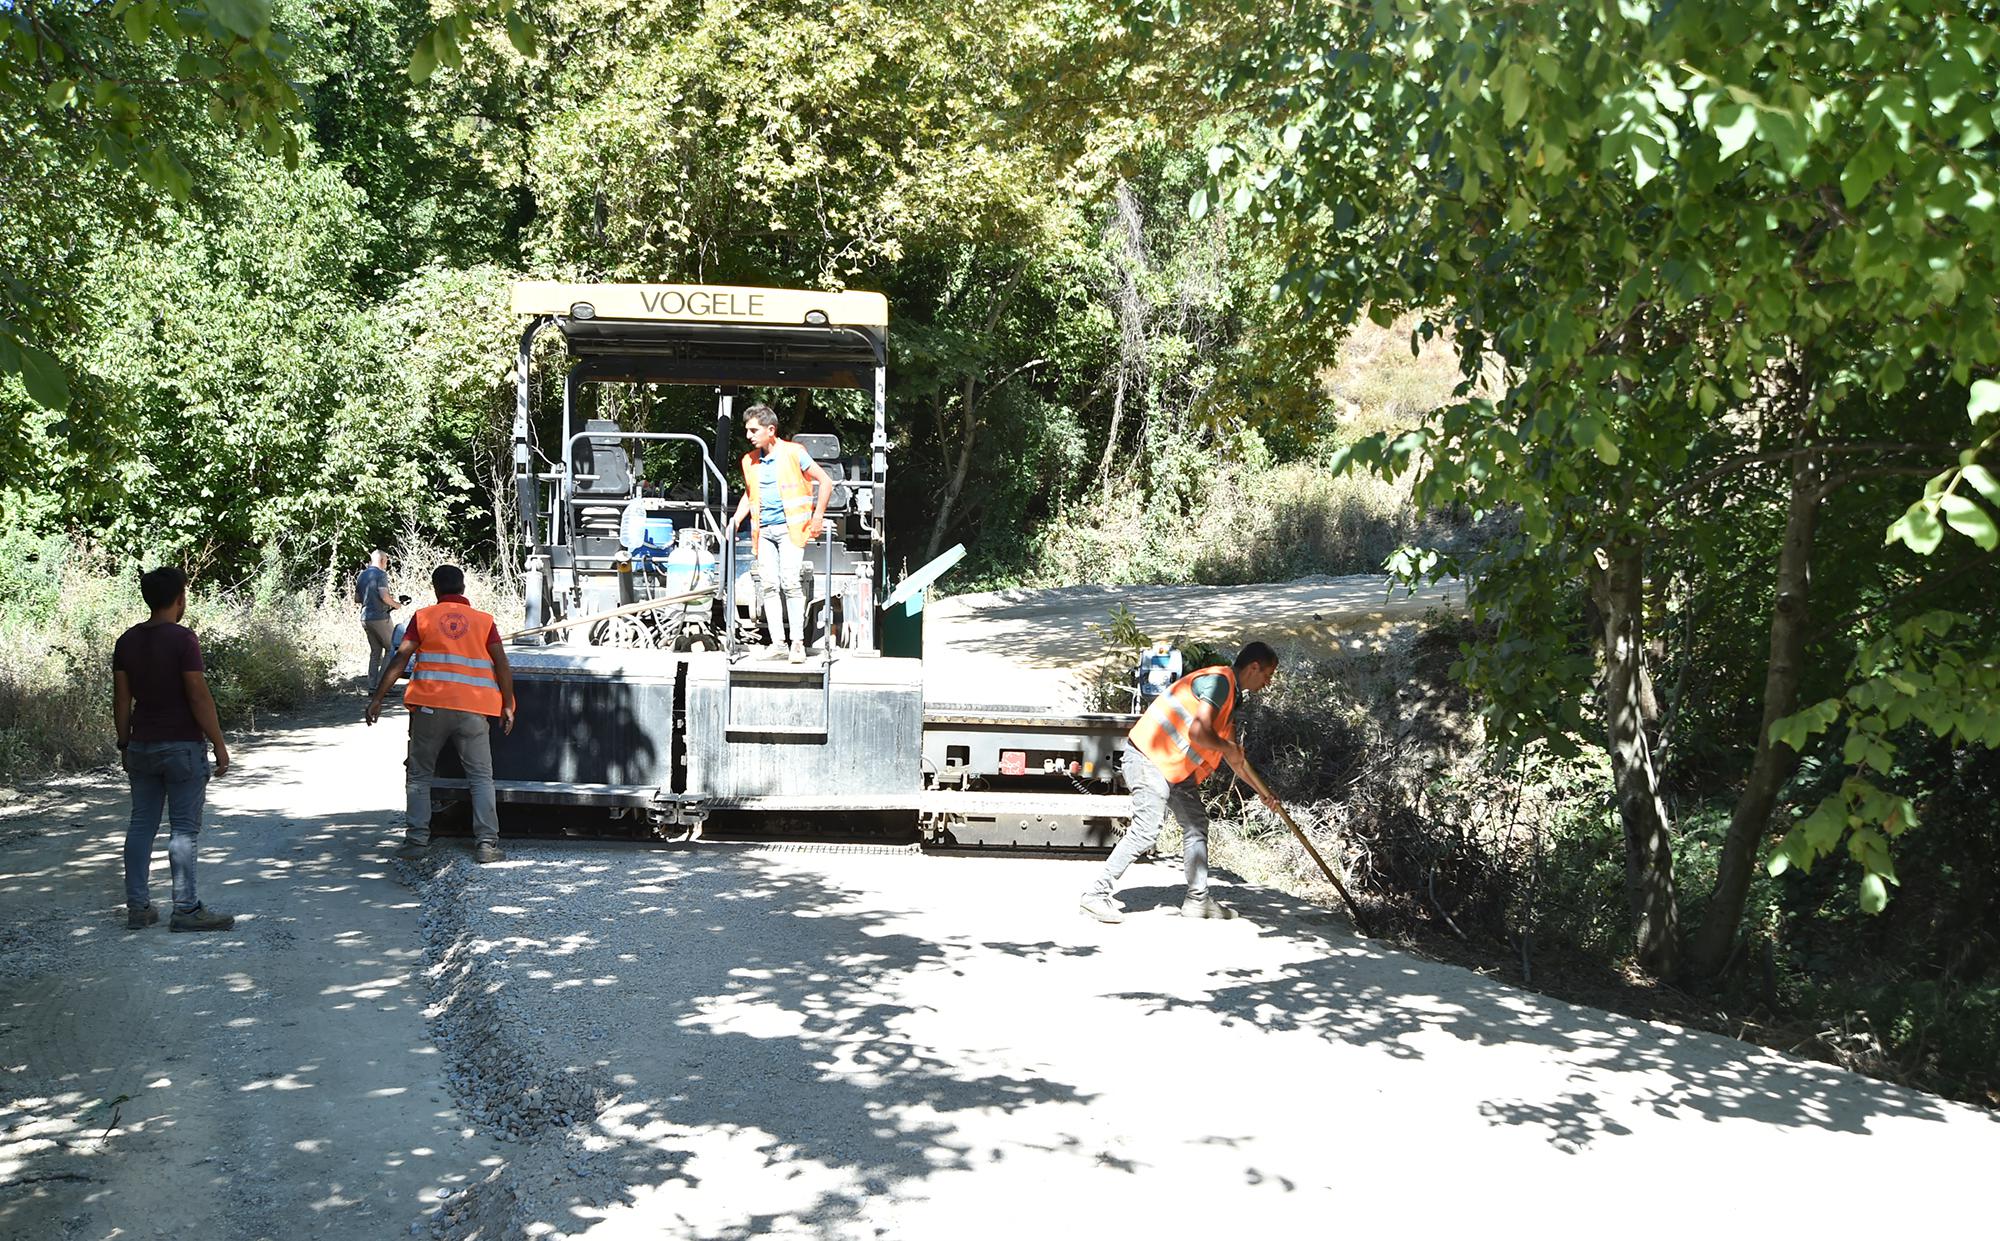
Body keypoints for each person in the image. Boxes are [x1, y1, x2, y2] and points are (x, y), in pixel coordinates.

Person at [1080, 641, 1282, 924]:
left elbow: (1236, 758)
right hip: (1149, 758)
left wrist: (1266, 794)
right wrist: (1226, 747)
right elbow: (1200, 734)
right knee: (1146, 831)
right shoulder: (1218, 683)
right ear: (1254, 667)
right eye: (1268, 675)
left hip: (1173, 767)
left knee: (1196, 824)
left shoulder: (1231, 696)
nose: (1268, 682)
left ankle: (1198, 900)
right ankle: (1095, 895)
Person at [365, 565, 517, 865]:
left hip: (429, 709)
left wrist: (378, 698)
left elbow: (401, 657)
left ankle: (416, 843)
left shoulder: (423, 617)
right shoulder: (484, 621)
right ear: (463, 588)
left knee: (420, 776)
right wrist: (508, 704)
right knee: (481, 778)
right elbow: (501, 664)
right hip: (474, 709)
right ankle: (487, 845)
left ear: (436, 589)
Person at [112, 566, 234, 932]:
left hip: (142, 745)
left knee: (141, 825)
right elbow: (197, 694)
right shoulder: (183, 640)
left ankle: (138, 907)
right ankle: (185, 909)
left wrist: (123, 742)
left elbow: (121, 699)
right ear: (179, 598)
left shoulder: (126, 641)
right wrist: (219, 743)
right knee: (182, 829)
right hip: (181, 745)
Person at [725, 403, 833, 662]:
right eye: (747, 430)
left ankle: (797, 643)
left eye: (754, 430)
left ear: (770, 430)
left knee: (791, 583)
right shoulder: (749, 461)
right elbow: (751, 493)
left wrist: (818, 517)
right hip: (763, 533)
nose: (749, 435)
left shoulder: (795, 453)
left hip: (791, 530)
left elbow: (825, 482)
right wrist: (737, 519)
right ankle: (778, 644)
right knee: (769, 586)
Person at [355, 549, 398, 688]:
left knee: (375, 651)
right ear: (382, 560)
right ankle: (384, 685)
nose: (386, 563)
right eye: (386, 560)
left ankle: (372, 686)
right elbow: (384, 596)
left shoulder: (362, 575)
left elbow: (357, 599)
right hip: (379, 617)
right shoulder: (381, 574)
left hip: (365, 617)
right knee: (391, 648)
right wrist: (396, 605)